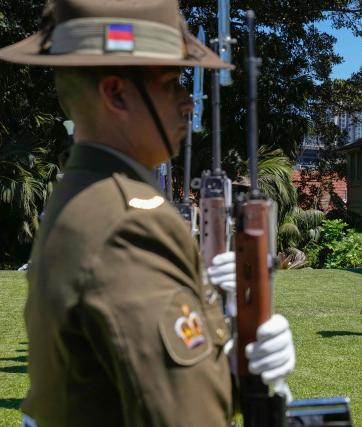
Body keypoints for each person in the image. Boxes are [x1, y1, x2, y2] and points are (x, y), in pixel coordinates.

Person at [0, 1, 294, 426]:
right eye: (172, 83)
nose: (188, 103)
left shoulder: (86, 196)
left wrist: (231, 363)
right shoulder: (129, 223)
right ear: (117, 93)